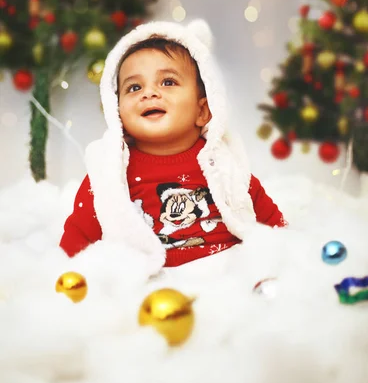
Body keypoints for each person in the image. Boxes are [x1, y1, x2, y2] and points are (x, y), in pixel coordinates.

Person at [59, 19, 287, 273]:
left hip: (227, 280)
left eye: (167, 82)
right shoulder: (110, 174)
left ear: (203, 110)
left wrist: (283, 255)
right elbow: (76, 242)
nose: (149, 93)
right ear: (117, 111)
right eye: (134, 87)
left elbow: (269, 223)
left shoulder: (220, 162)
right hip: (152, 290)